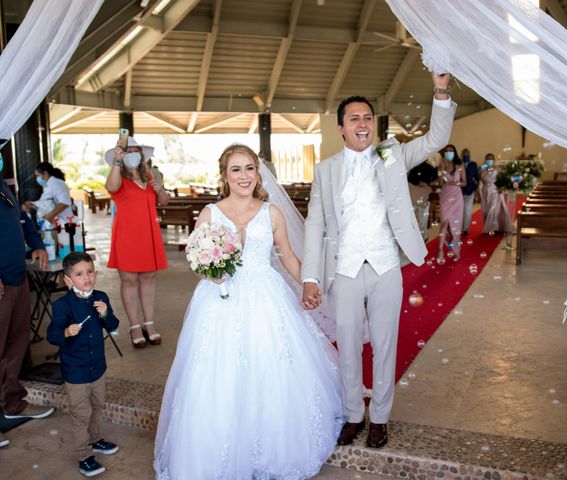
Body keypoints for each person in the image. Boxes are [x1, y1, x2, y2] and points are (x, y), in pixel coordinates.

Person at [154, 144, 342, 479]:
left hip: (264, 296)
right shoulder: (210, 213)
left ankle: (270, 447)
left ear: (258, 173)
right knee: (216, 373)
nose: (243, 176)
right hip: (219, 298)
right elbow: (199, 263)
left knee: (270, 366)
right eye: (236, 169)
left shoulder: (271, 213)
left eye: (249, 168)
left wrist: (308, 285)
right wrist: (216, 269)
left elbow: (286, 257)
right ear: (224, 175)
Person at [301, 72, 455, 448]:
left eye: (367, 117)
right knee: (349, 346)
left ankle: (381, 418)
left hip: (387, 265)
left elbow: (437, 139)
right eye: (354, 118)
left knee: (386, 345)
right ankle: (354, 414)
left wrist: (440, 91)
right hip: (345, 268)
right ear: (341, 128)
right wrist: (310, 276)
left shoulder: (393, 154)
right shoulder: (325, 171)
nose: (362, 123)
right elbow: (315, 223)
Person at [47, 252, 120, 477]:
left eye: (90, 272)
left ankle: (96, 439)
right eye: (79, 274)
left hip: (97, 368)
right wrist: (66, 332)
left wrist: (106, 314)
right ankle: (84, 455)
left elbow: (113, 325)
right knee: (81, 415)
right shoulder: (62, 306)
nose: (86, 277)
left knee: (97, 408)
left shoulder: (101, 297)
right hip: (76, 372)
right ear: (68, 280)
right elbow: (51, 335)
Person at [0, 165, 54, 449]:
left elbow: (20, 218)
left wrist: (37, 245)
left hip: (16, 276)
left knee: (15, 344)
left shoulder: (3, 185)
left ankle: (11, 405)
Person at [105, 138, 168, 349]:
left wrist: (160, 190)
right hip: (127, 234)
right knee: (130, 280)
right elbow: (111, 187)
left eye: (135, 150)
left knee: (149, 278)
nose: (132, 153)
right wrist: (117, 160)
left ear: (141, 154)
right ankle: (134, 326)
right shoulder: (118, 177)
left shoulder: (148, 176)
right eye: (128, 150)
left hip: (149, 233)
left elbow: (164, 201)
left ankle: (149, 324)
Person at [436, 144, 466, 262]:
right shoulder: (441, 166)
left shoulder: (460, 166)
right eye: (447, 151)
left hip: (457, 197)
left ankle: (456, 251)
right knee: (444, 223)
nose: (449, 152)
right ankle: (440, 251)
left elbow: (464, 183)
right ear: (444, 154)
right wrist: (441, 170)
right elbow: (440, 184)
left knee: (456, 226)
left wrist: (456, 183)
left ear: (454, 152)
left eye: (451, 150)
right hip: (445, 196)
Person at [479, 153, 515, 235]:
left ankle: (493, 228)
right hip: (485, 191)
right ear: (485, 160)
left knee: (493, 208)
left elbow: (502, 180)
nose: (489, 160)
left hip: (495, 191)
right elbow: (481, 180)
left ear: (494, 160)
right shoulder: (482, 169)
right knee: (486, 209)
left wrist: (501, 187)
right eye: (487, 159)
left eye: (491, 159)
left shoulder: (498, 170)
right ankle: (491, 226)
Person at [460, 148, 480, 235]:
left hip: (469, 190)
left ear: (470, 155)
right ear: (461, 155)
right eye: (464, 154)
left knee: (468, 210)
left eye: (467, 154)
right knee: (460, 210)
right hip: (459, 190)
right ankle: (459, 227)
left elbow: (477, 177)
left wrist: (475, 187)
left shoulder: (473, 164)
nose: (466, 156)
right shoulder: (458, 164)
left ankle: (465, 229)